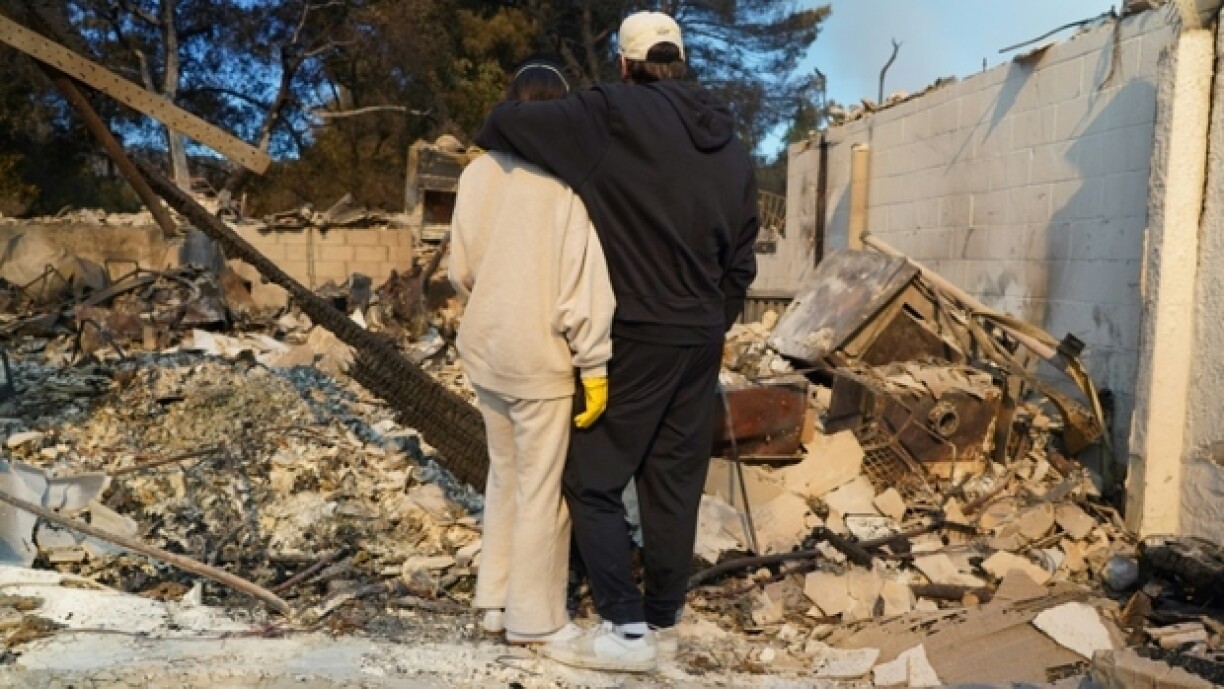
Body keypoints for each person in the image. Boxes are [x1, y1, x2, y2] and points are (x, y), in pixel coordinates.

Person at [475, 11, 760, 673]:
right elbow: (742, 259)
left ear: (627, 65)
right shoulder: (731, 140)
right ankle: (661, 619)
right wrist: (715, 317)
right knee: (672, 481)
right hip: (698, 340)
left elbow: (502, 123)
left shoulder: (612, 113)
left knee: (590, 478)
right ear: (679, 61)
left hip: (633, 332)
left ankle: (625, 629)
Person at [449, 59, 616, 646]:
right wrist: (594, 363)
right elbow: (582, 287)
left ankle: (492, 601)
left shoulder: (474, 178)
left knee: (504, 477)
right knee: (543, 489)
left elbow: (460, 271)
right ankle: (533, 619)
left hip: (486, 350)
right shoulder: (561, 185)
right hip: (540, 359)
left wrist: (491, 300)